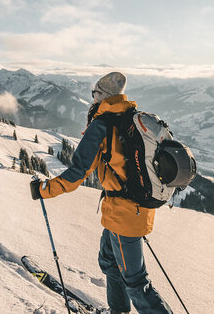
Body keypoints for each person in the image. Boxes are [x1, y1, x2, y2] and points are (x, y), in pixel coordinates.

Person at [29, 72, 172, 314]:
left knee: (137, 283)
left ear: (101, 96)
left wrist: (44, 190)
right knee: (109, 262)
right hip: (129, 211)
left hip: (125, 217)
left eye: (94, 95)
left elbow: (76, 174)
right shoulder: (129, 118)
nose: (92, 100)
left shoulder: (102, 125)